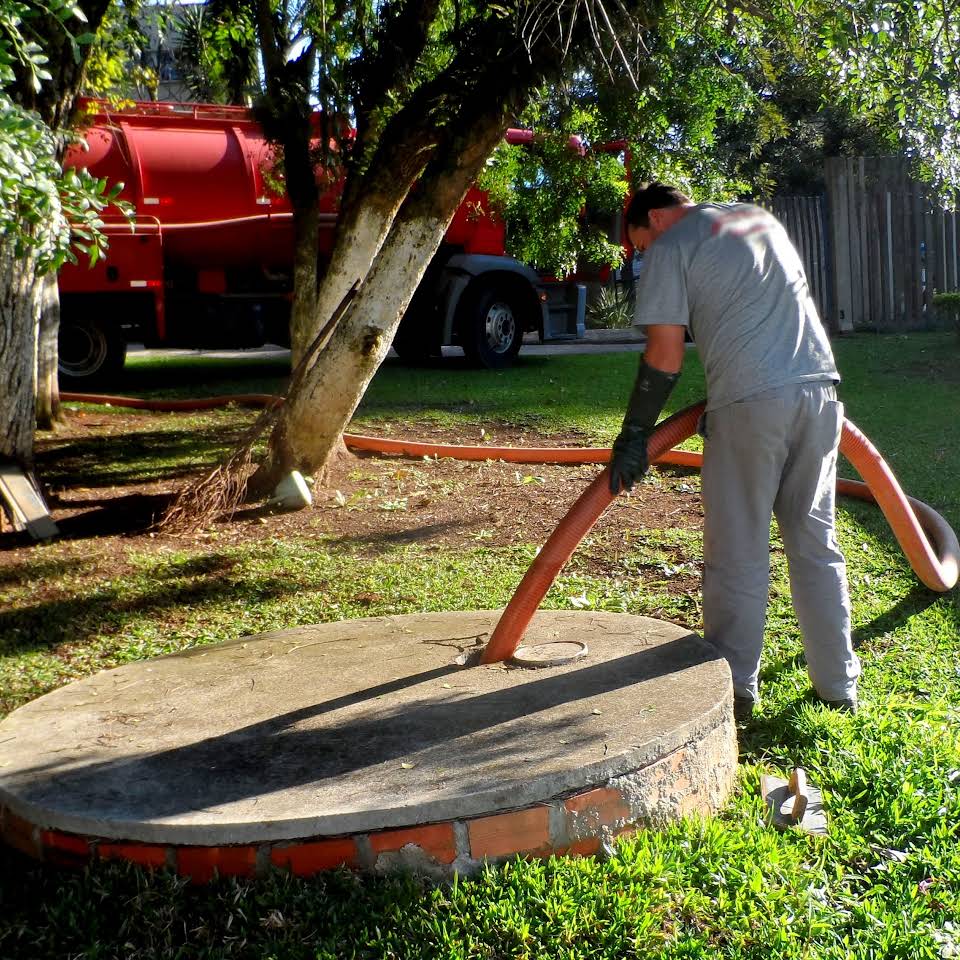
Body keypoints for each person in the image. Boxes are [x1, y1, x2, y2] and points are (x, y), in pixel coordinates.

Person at [609, 182, 860, 721]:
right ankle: (838, 686)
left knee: (739, 552)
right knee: (816, 543)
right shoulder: (755, 217)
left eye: (639, 246)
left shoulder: (672, 245)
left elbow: (665, 355)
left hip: (751, 404)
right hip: (819, 393)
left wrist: (634, 435)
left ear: (653, 219)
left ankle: (734, 690)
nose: (642, 258)